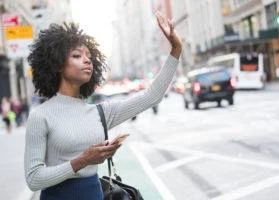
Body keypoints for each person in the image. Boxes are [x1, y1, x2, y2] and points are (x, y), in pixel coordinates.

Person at [24, 12, 182, 200]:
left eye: (89, 56)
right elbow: (33, 179)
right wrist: (83, 161)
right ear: (57, 64)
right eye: (77, 55)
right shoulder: (41, 116)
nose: (87, 60)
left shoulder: (99, 113)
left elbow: (152, 96)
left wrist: (176, 49)